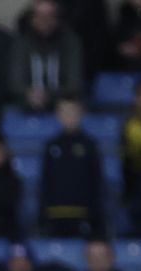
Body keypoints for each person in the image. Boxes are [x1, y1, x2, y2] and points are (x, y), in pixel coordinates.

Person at [39, 96, 104, 237]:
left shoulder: (89, 145)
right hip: (55, 214)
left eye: (72, 112)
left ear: (80, 114)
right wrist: (43, 213)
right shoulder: (51, 146)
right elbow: (46, 181)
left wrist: (95, 216)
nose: (69, 116)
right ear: (58, 115)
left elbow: (96, 181)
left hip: (82, 213)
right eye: (64, 112)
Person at [7, 0, 83, 112]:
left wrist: (47, 95)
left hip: (63, 103)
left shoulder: (70, 42)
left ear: (57, 19)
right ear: (32, 19)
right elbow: (15, 82)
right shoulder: (22, 43)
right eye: (40, 16)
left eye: (50, 16)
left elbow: (74, 83)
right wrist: (29, 93)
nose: (45, 21)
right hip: (26, 102)